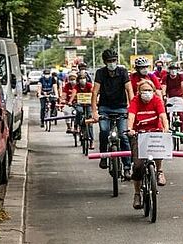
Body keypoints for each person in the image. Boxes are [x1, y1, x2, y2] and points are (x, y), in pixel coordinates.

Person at [91, 49, 134, 178]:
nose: (112, 63)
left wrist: (131, 109)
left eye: (114, 61)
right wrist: (94, 111)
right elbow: (95, 93)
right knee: (104, 131)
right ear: (105, 62)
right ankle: (103, 156)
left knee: (124, 135)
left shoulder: (123, 72)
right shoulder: (100, 73)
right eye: (109, 61)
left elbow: (129, 90)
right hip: (105, 107)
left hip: (121, 108)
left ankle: (127, 166)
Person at [127, 79, 170, 209]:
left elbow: (163, 116)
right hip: (139, 134)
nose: (147, 93)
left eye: (149, 90)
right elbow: (131, 117)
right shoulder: (135, 101)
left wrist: (166, 128)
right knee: (138, 165)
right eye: (144, 91)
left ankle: (159, 171)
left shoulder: (157, 100)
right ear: (139, 92)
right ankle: (137, 194)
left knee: (159, 149)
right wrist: (130, 129)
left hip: (155, 132)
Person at [69, 73, 95, 149]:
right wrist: (70, 101)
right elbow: (73, 94)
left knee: (90, 122)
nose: (82, 80)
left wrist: (96, 100)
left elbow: (93, 93)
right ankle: (76, 125)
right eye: (81, 79)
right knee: (79, 112)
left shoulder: (89, 85)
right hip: (80, 104)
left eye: (83, 78)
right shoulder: (76, 86)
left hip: (89, 104)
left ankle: (91, 141)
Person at [162, 63, 183, 132]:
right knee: (167, 114)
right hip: (169, 98)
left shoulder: (181, 76)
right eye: (171, 69)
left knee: (181, 115)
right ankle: (168, 129)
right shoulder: (165, 77)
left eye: (175, 69)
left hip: (179, 98)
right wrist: (164, 96)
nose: (173, 71)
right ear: (169, 70)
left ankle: (182, 133)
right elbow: (163, 87)